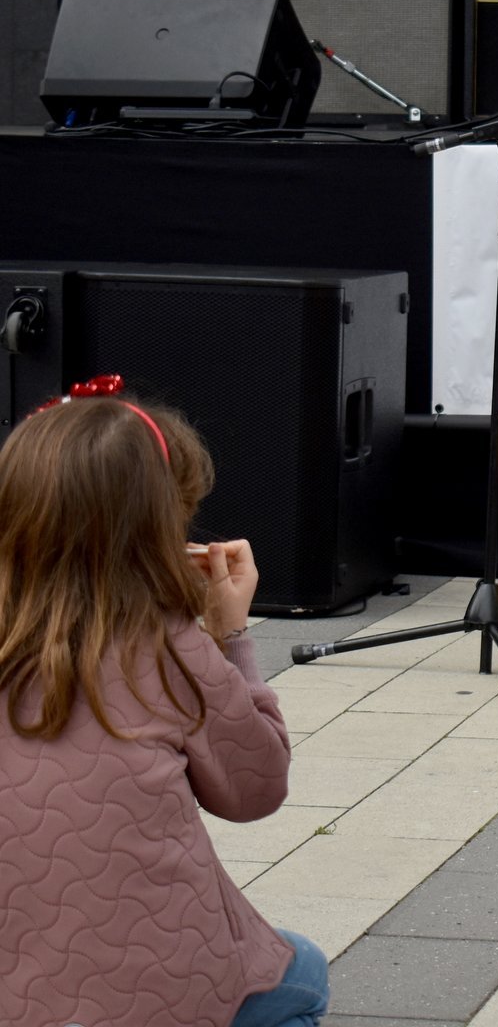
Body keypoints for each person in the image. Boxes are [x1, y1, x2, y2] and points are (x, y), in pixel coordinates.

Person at [0, 378, 329, 1027]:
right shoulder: (167, 648)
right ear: (157, 531)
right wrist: (229, 634)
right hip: (160, 994)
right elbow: (255, 789)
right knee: (306, 972)